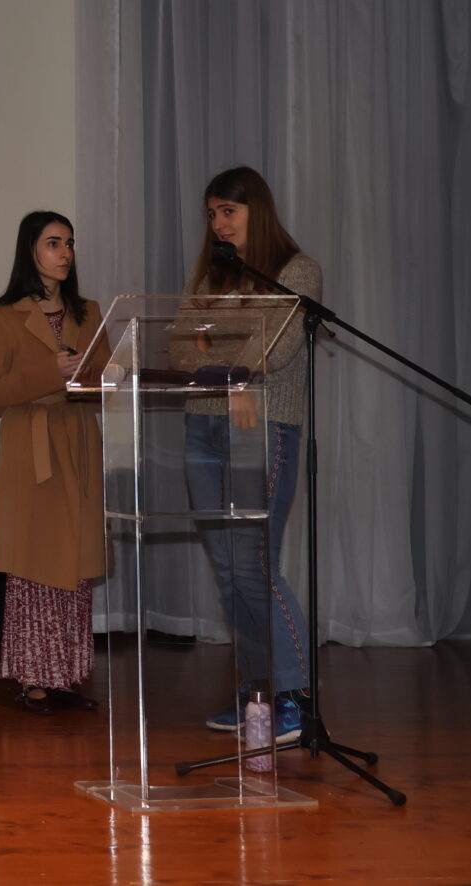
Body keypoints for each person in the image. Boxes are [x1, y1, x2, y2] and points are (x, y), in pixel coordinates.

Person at [183, 165, 319, 746]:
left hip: (263, 428)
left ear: (255, 211)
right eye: (212, 213)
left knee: (255, 566)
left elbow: (277, 348)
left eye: (229, 212)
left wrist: (217, 349)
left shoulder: (296, 271)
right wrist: (223, 357)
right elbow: (180, 345)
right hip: (202, 429)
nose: (219, 223)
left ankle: (294, 695)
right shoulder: (209, 275)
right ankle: (258, 692)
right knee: (227, 571)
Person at [0, 211, 103, 713]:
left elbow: (103, 382)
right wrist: (50, 372)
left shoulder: (89, 312)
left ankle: (67, 676)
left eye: (69, 243)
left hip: (78, 443)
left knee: (76, 565)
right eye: (53, 243)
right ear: (30, 250)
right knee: (35, 565)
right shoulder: (2, 315)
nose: (65, 252)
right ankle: (34, 680)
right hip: (31, 450)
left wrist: (101, 378)